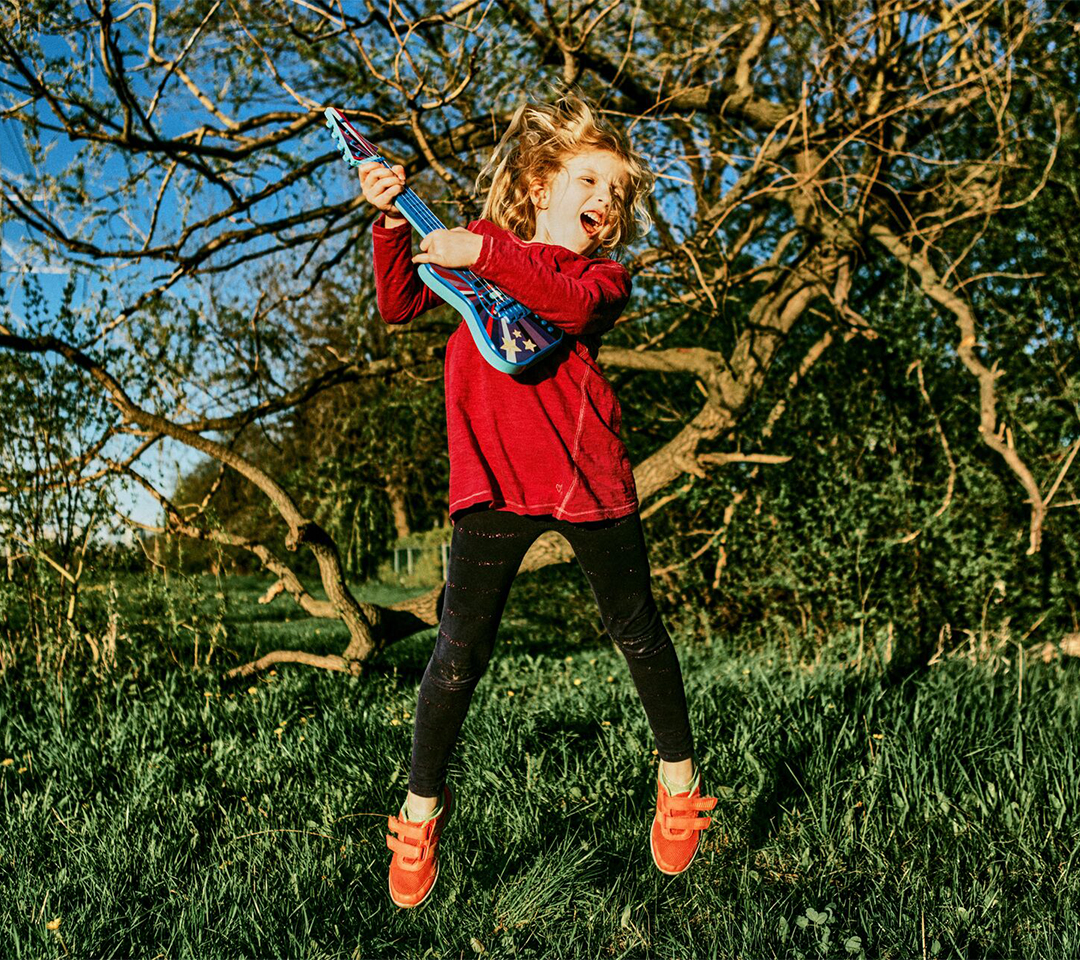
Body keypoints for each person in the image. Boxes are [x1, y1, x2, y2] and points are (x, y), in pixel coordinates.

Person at [357, 93, 716, 909]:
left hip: (590, 476)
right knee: (458, 652)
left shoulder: (599, 276)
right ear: (538, 184)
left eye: (619, 194)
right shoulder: (482, 249)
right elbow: (401, 303)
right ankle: (419, 810)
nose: (607, 200)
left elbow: (570, 307)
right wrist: (389, 227)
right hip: (495, 480)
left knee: (638, 630)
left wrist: (479, 254)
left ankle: (678, 778)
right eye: (590, 178)